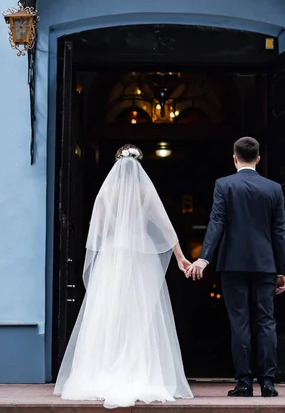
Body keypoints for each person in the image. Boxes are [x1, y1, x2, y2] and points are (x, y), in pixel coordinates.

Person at [54, 144, 193, 408]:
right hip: (141, 256)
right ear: (139, 165)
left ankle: (103, 370)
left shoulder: (107, 192)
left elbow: (97, 231)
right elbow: (165, 227)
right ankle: (141, 370)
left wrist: (104, 252)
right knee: (141, 314)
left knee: (110, 312)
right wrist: (180, 257)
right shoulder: (145, 191)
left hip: (113, 253)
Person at [186, 137, 285, 398]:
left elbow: (217, 221)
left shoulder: (224, 185)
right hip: (265, 265)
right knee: (266, 322)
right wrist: (282, 270)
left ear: (234, 157)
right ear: (258, 158)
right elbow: (279, 232)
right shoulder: (273, 188)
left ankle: (244, 383)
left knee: (239, 323)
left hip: (232, 264)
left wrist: (204, 258)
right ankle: (268, 383)